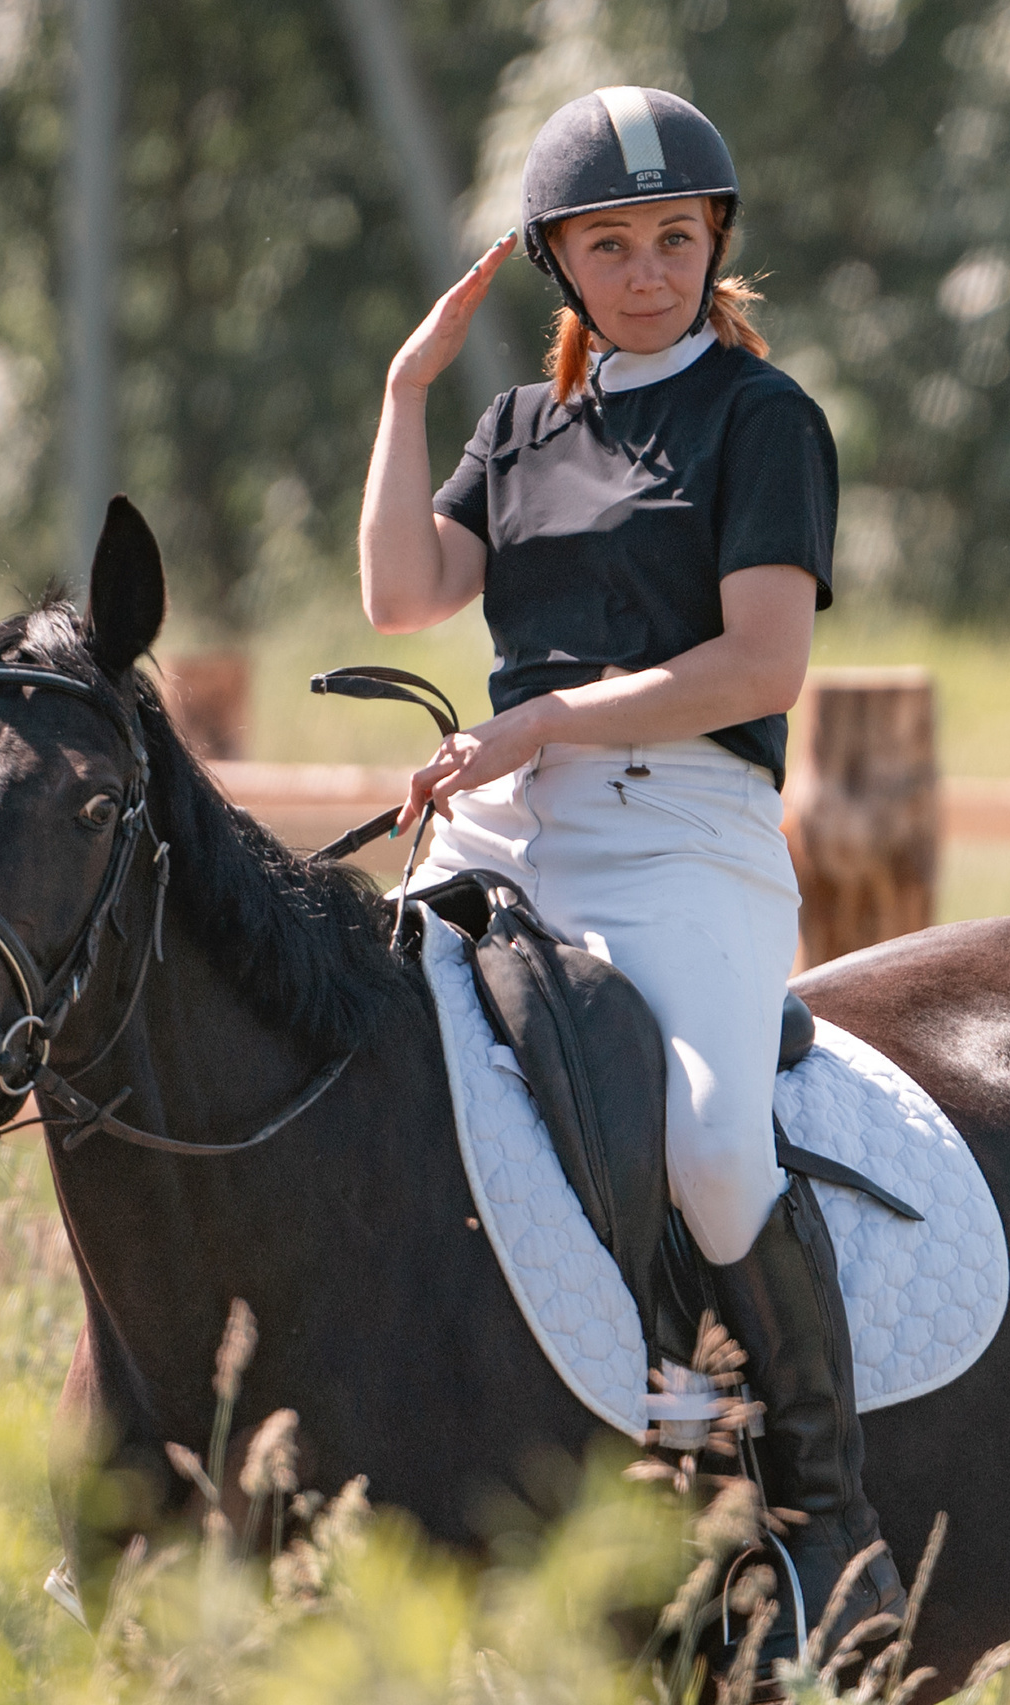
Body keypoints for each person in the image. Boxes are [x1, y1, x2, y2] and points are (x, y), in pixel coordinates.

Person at [355, 86, 905, 1655]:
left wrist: (535, 719)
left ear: (715, 241)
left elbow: (760, 662)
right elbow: (403, 593)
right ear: (562, 264)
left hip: (681, 835)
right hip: (504, 831)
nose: (650, 268)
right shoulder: (516, 429)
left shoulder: (763, 417)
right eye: (613, 243)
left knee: (720, 1152)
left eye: (677, 236)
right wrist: (404, 395)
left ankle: (817, 1504)